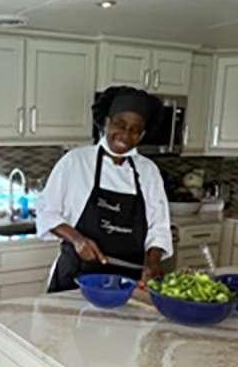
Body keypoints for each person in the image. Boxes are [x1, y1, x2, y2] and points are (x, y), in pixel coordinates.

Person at [36, 85, 173, 292]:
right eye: (120, 124)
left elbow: (159, 228)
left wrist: (153, 262)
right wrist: (77, 240)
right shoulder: (76, 161)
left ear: (142, 135)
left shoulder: (148, 171)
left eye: (135, 130)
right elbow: (47, 212)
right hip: (76, 278)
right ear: (107, 122)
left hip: (129, 283)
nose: (126, 135)